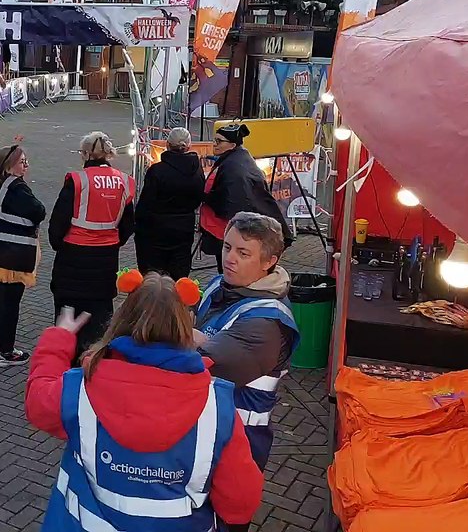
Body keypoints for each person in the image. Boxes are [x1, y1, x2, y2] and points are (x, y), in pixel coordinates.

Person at [26, 273, 265, 532]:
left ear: (121, 320)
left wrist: (59, 338)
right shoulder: (218, 408)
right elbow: (240, 503)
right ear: (185, 328)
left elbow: (38, 400)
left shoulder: (79, 389)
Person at [194, 212, 299, 471]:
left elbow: (201, 366)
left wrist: (169, 329)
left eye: (243, 253)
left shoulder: (266, 324)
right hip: (206, 430)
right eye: (227, 247)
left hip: (237, 444)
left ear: (269, 261)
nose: (229, 259)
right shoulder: (218, 285)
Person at [49, 131, 136, 362]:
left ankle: (64, 362)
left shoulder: (77, 180)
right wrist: (113, 241)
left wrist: (58, 244)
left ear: (86, 154)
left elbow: (58, 222)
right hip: (106, 260)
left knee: (67, 316)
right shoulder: (125, 181)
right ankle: (93, 363)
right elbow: (129, 224)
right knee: (99, 316)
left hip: (72, 259)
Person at [0, 138, 47, 367]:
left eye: (26, 161)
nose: (26, 166)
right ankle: (7, 352)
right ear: (9, 166)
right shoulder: (17, 188)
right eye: (22, 162)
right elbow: (39, 211)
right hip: (12, 255)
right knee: (10, 304)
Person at [199, 123, 293, 274]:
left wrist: (205, 197)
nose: (214, 145)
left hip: (229, 230)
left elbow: (233, 202)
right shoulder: (235, 158)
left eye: (219, 141)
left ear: (232, 144)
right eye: (214, 140)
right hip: (225, 229)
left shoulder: (235, 167)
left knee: (232, 269)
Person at [135, 127, 205, 279]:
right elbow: (199, 197)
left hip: (156, 229)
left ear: (167, 145)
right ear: (189, 146)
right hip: (184, 228)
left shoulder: (157, 171)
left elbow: (146, 203)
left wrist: (138, 228)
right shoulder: (197, 171)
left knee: (154, 274)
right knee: (178, 275)